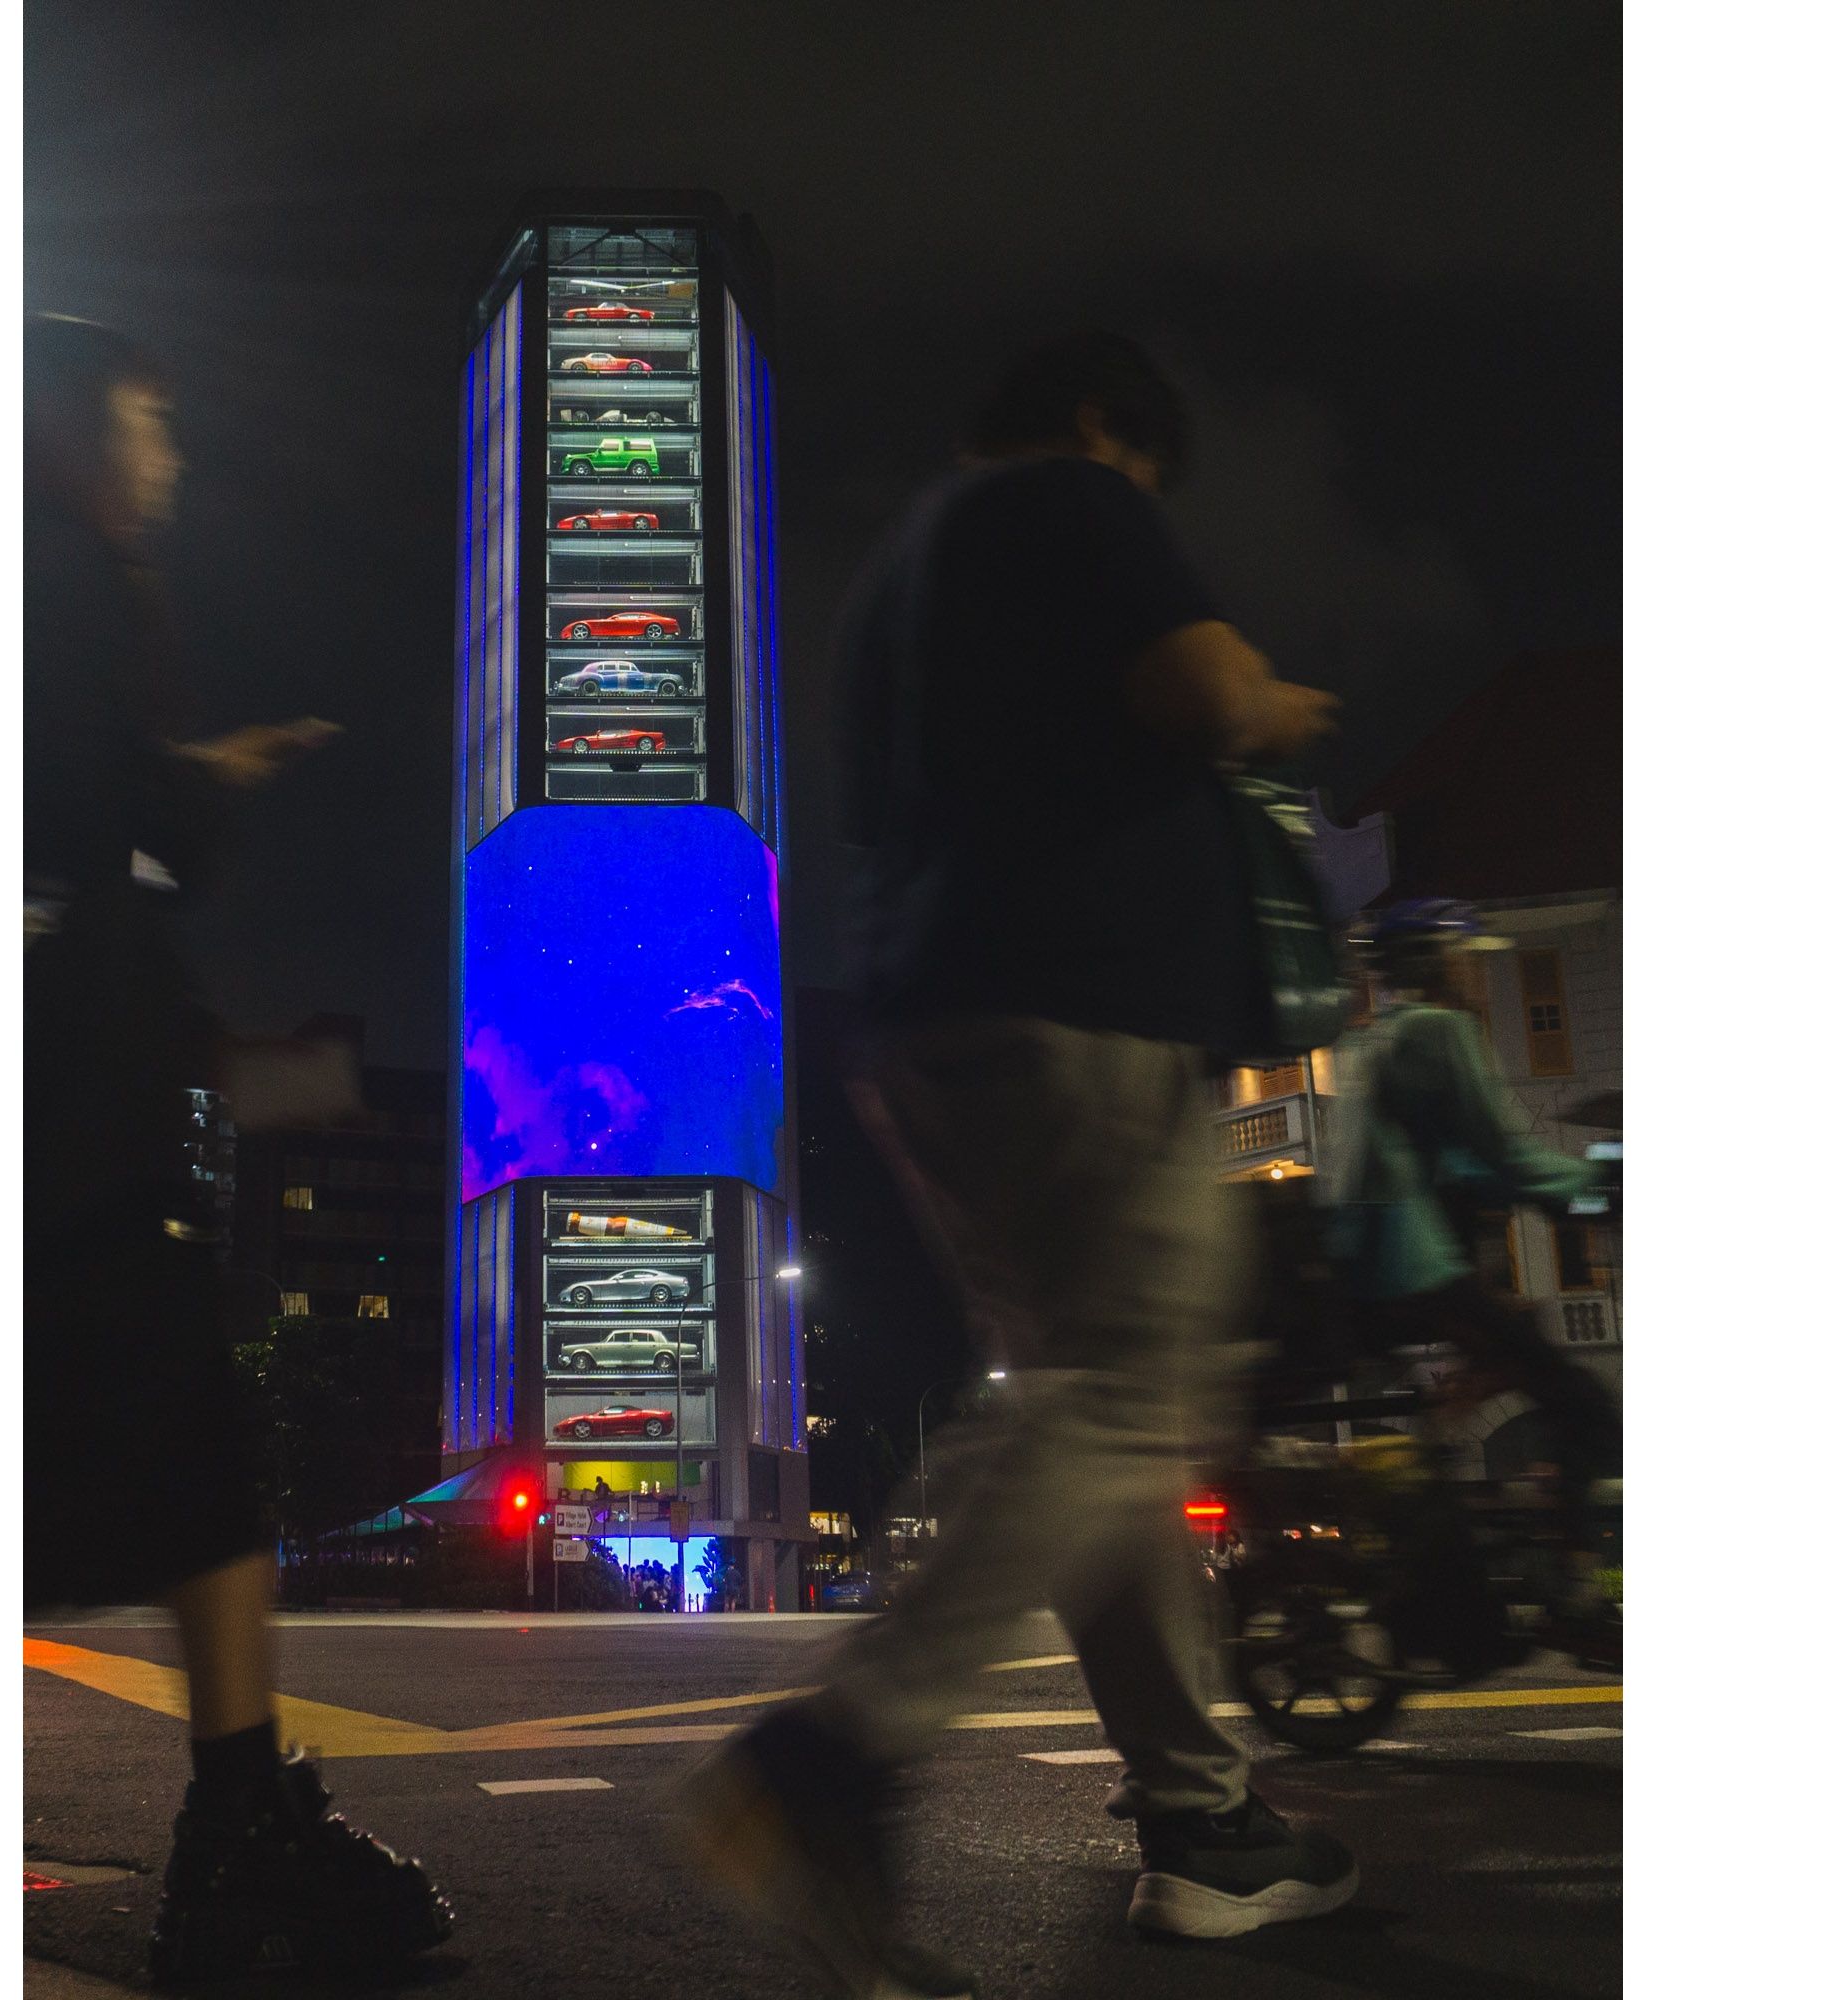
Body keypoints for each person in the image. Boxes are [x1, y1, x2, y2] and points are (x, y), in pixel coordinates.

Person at [681, 331, 1354, 1997]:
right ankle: (832, 1756)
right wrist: (1272, 706)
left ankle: (1201, 1819)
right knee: (1121, 1394)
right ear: (1104, 427)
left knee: (1098, 1414)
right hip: (1083, 1009)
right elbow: (1206, 692)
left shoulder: (891, 584)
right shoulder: (1069, 496)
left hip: (933, 1024)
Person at [24, 315, 452, 1981]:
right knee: (199, 1469)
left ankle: (243, 1818)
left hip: (81, 1099)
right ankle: (238, 1835)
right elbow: (88, 838)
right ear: (73, 427)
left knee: (181, 1467)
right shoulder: (57, 576)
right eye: (149, 418)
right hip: (69, 1124)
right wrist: (195, 789)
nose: (172, 456)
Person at [1321, 897, 1622, 1627]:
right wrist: (1603, 1184)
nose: (1478, 975)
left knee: (1513, 1345)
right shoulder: (1438, 1029)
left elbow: (1468, 1167)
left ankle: (1471, 1531)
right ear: (1435, 961)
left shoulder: (1381, 1037)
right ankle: (1572, 1578)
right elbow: (1504, 1155)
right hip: (1413, 1268)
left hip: (1379, 1268)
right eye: (1466, 957)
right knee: (1586, 1403)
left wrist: (1580, 1193)